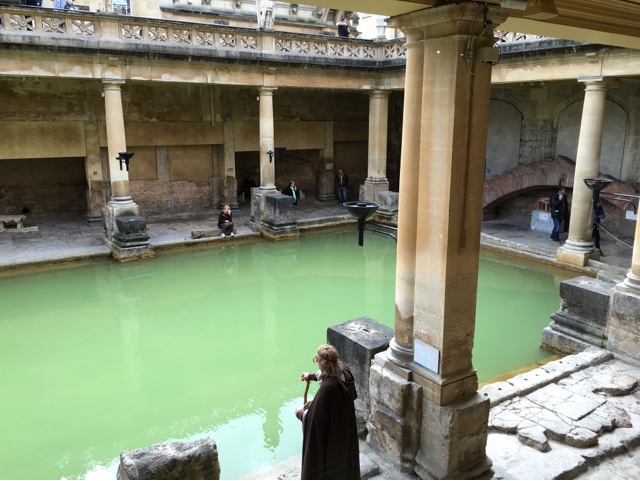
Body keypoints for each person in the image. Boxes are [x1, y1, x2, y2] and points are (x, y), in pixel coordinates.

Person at [295, 344, 359, 480]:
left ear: (322, 363)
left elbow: (315, 419)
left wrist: (301, 413)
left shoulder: (328, 388)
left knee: (329, 465)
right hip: (344, 429)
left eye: (317, 359)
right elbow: (330, 375)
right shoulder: (346, 373)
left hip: (332, 436)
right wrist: (311, 376)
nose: (316, 362)